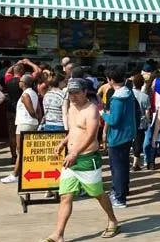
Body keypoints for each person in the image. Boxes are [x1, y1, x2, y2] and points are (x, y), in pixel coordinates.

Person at [41, 79, 119, 241]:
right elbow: (74, 130)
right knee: (65, 196)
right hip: (71, 159)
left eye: (76, 93)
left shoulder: (91, 110)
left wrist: (75, 152)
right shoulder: (71, 107)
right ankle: (59, 233)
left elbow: (91, 136)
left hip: (87, 159)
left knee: (97, 194)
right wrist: (64, 142)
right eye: (70, 93)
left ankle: (113, 220)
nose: (73, 96)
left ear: (85, 92)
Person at [100, 69, 137, 209]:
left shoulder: (117, 98)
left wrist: (103, 114)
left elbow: (114, 120)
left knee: (117, 168)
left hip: (117, 137)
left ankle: (119, 198)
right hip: (127, 135)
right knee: (123, 165)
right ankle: (122, 191)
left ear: (110, 80)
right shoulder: (129, 93)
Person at [2, 74, 40, 184]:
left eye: (20, 81)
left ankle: (15, 174)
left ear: (23, 83)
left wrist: (35, 117)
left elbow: (32, 111)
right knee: (25, 150)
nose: (19, 83)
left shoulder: (25, 95)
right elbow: (38, 109)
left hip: (25, 123)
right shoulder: (33, 93)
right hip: (30, 123)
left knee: (21, 150)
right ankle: (22, 172)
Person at [131, 74, 151, 171]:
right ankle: (135, 163)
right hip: (141, 122)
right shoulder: (145, 97)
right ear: (142, 84)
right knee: (138, 142)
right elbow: (147, 112)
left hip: (129, 122)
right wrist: (148, 121)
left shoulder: (129, 94)